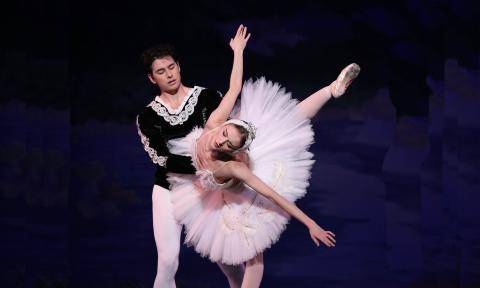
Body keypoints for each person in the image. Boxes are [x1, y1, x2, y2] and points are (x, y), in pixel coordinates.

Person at [167, 25, 361, 287]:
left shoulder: (231, 167)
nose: (220, 139)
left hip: (240, 199)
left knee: (253, 260)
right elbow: (235, 88)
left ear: (231, 152)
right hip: (212, 193)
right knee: (282, 121)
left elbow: (273, 195)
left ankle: (330, 90)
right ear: (225, 124)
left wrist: (310, 224)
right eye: (225, 132)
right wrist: (238, 52)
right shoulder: (214, 123)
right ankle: (329, 91)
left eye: (226, 143)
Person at [136, 26, 249, 288]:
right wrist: (208, 165)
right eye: (161, 72)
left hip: (207, 189)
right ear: (152, 79)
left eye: (171, 67)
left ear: (179, 66)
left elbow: (227, 134)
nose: (169, 74)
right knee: (168, 260)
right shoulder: (148, 117)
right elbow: (162, 159)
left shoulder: (207, 97)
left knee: (229, 259)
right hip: (169, 189)